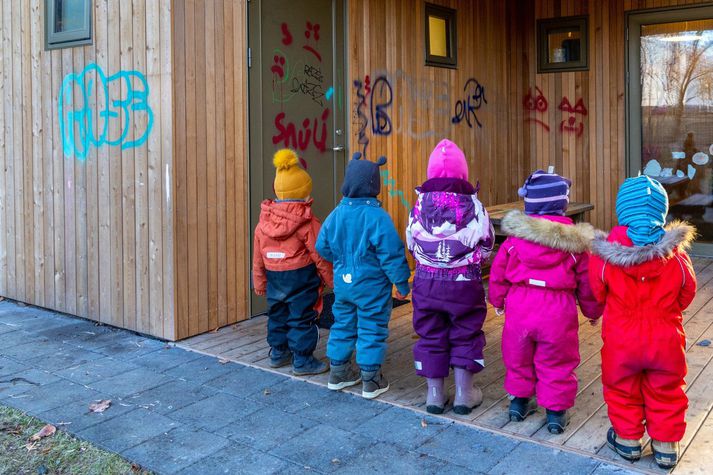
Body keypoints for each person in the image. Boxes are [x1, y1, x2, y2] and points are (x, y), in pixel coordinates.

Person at [589, 175, 696, 469]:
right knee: (666, 388)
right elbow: (688, 291)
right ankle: (665, 446)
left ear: (623, 211)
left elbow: (596, 292)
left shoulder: (605, 256)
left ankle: (627, 440)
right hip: (666, 337)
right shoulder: (675, 255)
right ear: (661, 212)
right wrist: (668, 310)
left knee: (622, 388)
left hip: (621, 338)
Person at [488, 169, 603, 433]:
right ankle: (555, 414)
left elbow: (498, 273)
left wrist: (497, 300)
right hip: (557, 310)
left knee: (518, 355)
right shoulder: (575, 245)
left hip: (520, 306)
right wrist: (592, 310)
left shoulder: (514, 241)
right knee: (558, 361)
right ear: (562, 206)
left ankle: (518, 403)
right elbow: (587, 283)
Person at [405, 139, 494, 415]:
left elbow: (411, 241)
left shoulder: (419, 206)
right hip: (464, 284)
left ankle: (434, 395)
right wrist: (476, 261)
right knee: (466, 331)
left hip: (426, 282)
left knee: (430, 332)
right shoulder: (474, 206)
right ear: (464, 174)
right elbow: (487, 242)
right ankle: (464, 395)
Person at [316, 153, 411, 399]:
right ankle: (371, 379)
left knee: (343, 324)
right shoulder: (377, 217)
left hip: (344, 285)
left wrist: (341, 260)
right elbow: (391, 253)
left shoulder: (336, 214)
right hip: (372, 287)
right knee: (372, 326)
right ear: (374, 186)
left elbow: (321, 246)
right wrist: (401, 282)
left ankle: (339, 373)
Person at [252, 149, 333, 376]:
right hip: (301, 278)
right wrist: (332, 280)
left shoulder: (263, 221)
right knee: (302, 317)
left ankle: (278, 353)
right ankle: (303, 360)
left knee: (277, 313)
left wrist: (259, 283)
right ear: (304, 193)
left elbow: (257, 257)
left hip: (274, 277)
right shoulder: (307, 221)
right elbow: (320, 255)